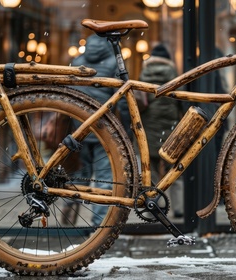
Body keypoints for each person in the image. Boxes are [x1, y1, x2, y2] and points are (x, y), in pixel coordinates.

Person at [63, 34, 130, 226]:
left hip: (79, 127)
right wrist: (126, 129)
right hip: (103, 129)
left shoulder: (78, 61)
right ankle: (99, 224)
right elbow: (124, 99)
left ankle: (69, 214)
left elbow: (68, 94)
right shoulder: (113, 63)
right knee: (104, 178)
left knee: (79, 175)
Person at [136, 43, 184, 218]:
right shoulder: (175, 75)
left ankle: (151, 206)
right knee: (175, 167)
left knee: (152, 169)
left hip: (149, 126)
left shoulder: (144, 74)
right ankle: (178, 207)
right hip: (171, 126)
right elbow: (182, 101)